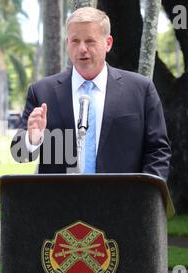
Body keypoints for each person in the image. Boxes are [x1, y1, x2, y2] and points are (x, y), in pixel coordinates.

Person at [10, 7, 171, 180]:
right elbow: (20, 154)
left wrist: (145, 195)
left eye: (90, 41)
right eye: (75, 41)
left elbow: (158, 151)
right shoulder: (42, 92)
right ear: (67, 43)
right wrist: (32, 139)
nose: (82, 49)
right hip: (59, 203)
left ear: (108, 43)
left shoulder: (141, 89)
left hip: (123, 202)